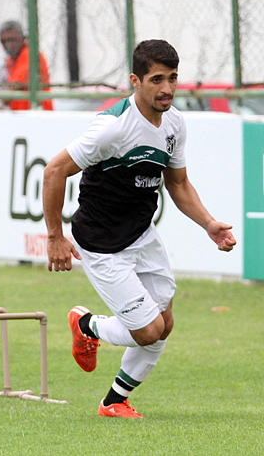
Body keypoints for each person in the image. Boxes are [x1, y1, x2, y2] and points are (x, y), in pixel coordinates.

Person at [43, 39, 236, 418]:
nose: (167, 89)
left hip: (142, 235)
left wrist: (209, 223)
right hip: (101, 242)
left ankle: (114, 402)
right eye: (157, 79)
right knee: (148, 330)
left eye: (173, 78)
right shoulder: (112, 127)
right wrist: (54, 236)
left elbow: (178, 184)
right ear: (136, 81)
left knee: (164, 325)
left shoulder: (174, 124)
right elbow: (54, 171)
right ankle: (87, 325)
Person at [0, 20, 53, 111]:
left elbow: (9, 94)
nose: (8, 45)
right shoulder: (10, 60)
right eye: (4, 41)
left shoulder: (30, 55)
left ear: (23, 38)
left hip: (37, 114)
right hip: (20, 115)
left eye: (12, 40)